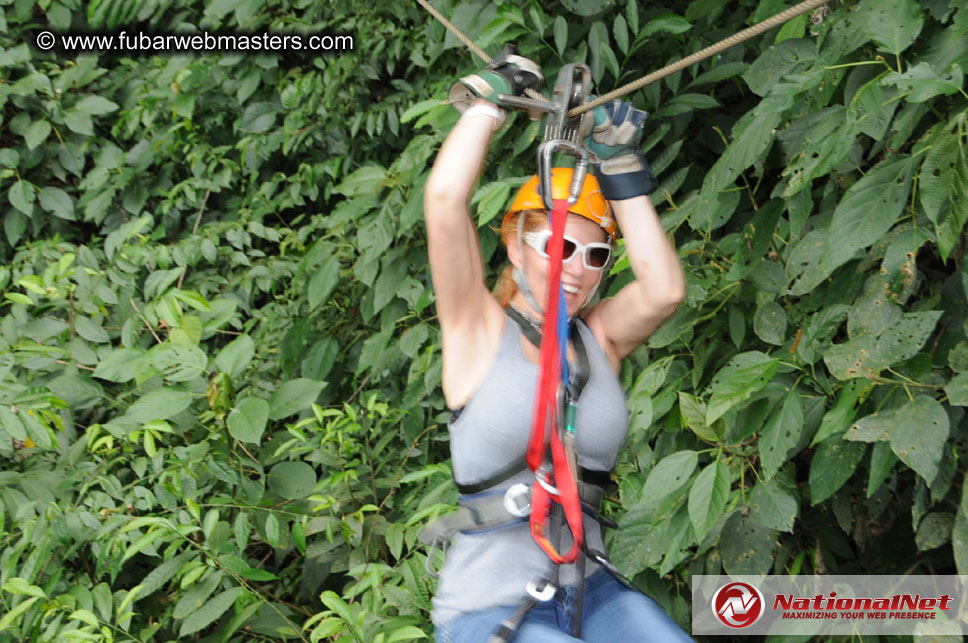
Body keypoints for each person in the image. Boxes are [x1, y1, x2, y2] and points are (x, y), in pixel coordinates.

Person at [423, 53, 692, 643]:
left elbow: (665, 288)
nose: (577, 268)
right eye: (558, 247)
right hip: (485, 609)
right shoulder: (477, 331)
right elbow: (445, 203)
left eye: (596, 256)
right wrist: (488, 105)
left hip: (591, 594)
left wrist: (621, 166)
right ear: (517, 247)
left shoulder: (598, 341)